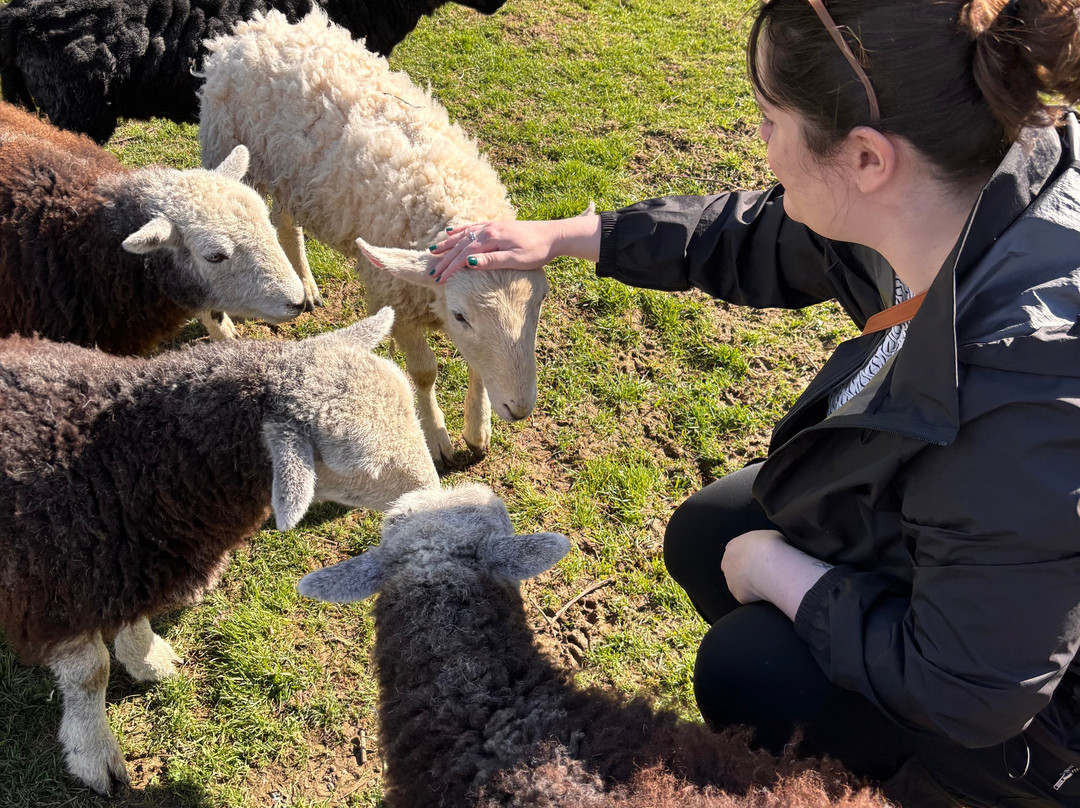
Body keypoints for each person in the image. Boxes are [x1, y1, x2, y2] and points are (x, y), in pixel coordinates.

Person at [430, 0, 1080, 805]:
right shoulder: (971, 180)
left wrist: (784, 574)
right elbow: (765, 233)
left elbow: (975, 689)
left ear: (867, 158)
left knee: (752, 670)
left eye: (771, 119)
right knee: (709, 533)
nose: (761, 141)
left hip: (1036, 718)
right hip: (979, 544)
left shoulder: (1025, 392)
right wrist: (574, 235)